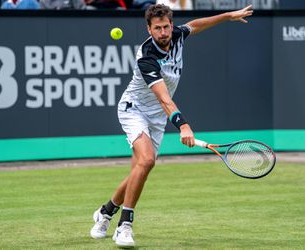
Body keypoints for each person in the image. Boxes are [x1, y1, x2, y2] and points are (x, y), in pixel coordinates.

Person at [90, 4, 253, 248]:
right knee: (146, 161)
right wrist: (183, 125)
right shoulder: (147, 56)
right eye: (158, 28)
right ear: (150, 29)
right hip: (134, 110)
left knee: (140, 169)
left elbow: (196, 25)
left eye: (167, 26)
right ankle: (125, 225)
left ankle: (105, 212)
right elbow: (164, 99)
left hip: (156, 118)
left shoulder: (176, 34)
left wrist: (228, 16)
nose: (164, 32)